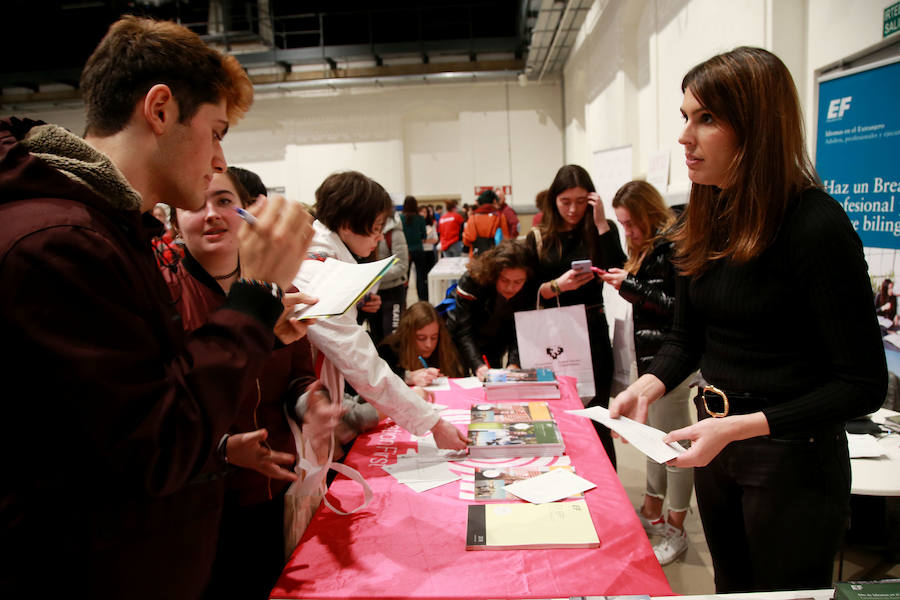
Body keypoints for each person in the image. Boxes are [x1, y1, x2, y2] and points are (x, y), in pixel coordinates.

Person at [0, 16, 313, 599]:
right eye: (215, 132)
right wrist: (256, 295)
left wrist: (260, 329)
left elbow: (149, 388)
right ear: (161, 109)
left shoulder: (108, 229)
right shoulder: (59, 243)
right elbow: (155, 444)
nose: (220, 160)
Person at [609, 47, 886, 592]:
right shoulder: (704, 217)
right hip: (718, 442)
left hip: (791, 457)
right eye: (685, 117)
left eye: (706, 119)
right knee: (732, 588)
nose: (685, 137)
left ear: (756, 127)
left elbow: (862, 385)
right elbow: (688, 336)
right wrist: (651, 381)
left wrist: (741, 427)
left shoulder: (814, 226)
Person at [162, 168, 340, 599]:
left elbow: (297, 372)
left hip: (271, 484)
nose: (211, 215)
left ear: (246, 212)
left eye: (224, 201)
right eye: (195, 205)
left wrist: (310, 403)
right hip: (196, 502)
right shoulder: (164, 293)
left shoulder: (279, 289)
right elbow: (160, 410)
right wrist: (223, 447)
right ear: (174, 223)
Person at [294, 171, 468, 450]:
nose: (378, 238)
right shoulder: (320, 273)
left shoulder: (327, 260)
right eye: (375, 228)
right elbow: (361, 364)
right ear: (348, 224)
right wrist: (434, 424)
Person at [597, 180, 694, 565]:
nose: (629, 232)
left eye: (631, 224)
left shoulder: (674, 245)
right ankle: (654, 511)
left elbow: (677, 309)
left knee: (672, 446)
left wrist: (632, 286)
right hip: (652, 360)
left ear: (649, 213)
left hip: (672, 363)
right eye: (622, 225)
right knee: (652, 437)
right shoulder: (648, 246)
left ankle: (677, 526)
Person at [525, 164, 626, 469]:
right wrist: (558, 285)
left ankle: (606, 499)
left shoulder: (599, 228)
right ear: (554, 200)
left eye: (581, 202)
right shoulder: (539, 236)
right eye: (566, 201)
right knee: (555, 416)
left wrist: (601, 222)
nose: (573, 209)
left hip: (592, 330)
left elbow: (616, 269)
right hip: (551, 334)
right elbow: (527, 292)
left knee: (597, 417)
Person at [445, 240, 535, 378]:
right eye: (505, 280)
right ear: (494, 274)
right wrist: (478, 365)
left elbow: (521, 328)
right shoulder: (472, 280)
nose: (510, 288)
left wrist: (514, 362)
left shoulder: (529, 286)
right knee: (462, 377)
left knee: (495, 378)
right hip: (463, 336)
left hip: (496, 338)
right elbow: (463, 331)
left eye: (518, 282)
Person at [379, 300, 465, 386]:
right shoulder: (389, 351)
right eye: (421, 338)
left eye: (434, 337)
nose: (429, 345)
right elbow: (381, 381)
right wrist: (408, 377)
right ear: (408, 335)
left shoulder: (446, 348)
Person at [358, 209, 410, 344]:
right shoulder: (362, 231)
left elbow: (402, 266)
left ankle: (393, 365)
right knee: (375, 336)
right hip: (370, 294)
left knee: (392, 339)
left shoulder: (394, 232)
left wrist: (373, 276)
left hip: (392, 293)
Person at [462, 189, 511, 257]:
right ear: (494, 201)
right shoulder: (499, 217)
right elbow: (506, 239)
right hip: (495, 257)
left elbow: (466, 240)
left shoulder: (472, 218)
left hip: (476, 257)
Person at [400, 195, 430, 302]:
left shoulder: (400, 218)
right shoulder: (420, 218)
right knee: (421, 277)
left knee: (404, 277)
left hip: (405, 251)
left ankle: (403, 301)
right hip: (418, 250)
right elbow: (424, 236)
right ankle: (422, 300)